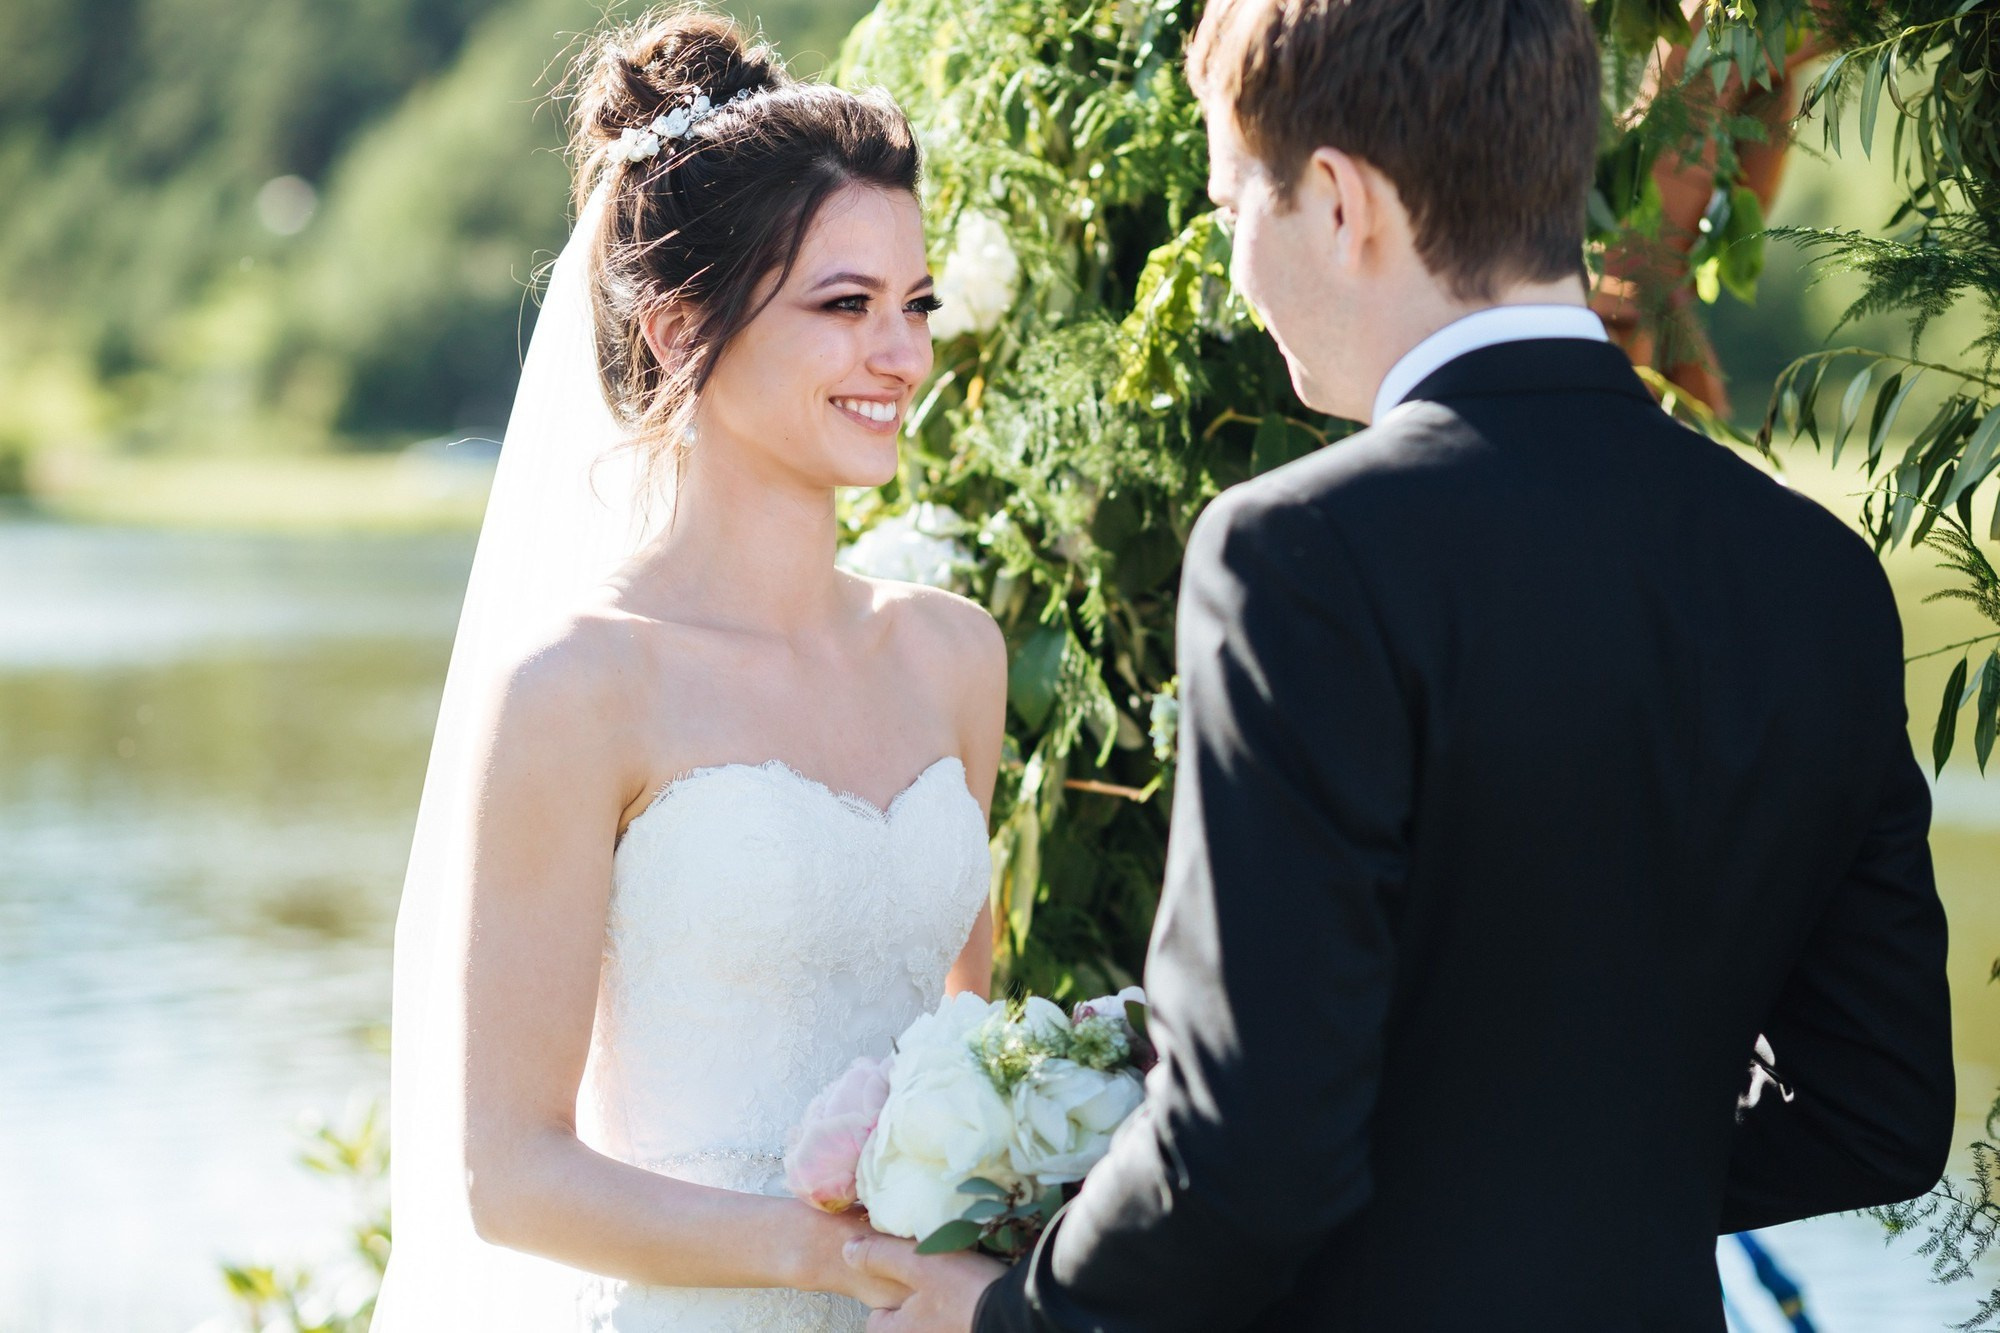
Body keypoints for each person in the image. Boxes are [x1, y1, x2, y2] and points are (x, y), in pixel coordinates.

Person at [846, 1, 1956, 1328]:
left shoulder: (1299, 559)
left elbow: (1251, 1153)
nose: (1230, 255)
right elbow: (1878, 1108)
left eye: (1229, 201)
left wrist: (1006, 1314)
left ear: (1336, 201)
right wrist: (1574, 1182)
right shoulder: (1815, 576)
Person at [371, 10, 1004, 1330]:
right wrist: (825, 1256)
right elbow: (509, 1172)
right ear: (674, 326)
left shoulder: (953, 653)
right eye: (845, 306)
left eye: (914, 304)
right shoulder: (581, 687)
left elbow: (966, 1044)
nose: (902, 355)